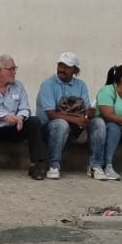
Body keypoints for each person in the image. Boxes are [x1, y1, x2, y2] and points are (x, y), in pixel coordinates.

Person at [0, 54, 47, 180]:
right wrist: (4, 116)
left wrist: (20, 117)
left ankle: (36, 165)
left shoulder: (19, 86)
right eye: (11, 69)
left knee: (34, 121)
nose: (14, 72)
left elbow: (25, 108)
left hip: (15, 127)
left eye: (15, 69)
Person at [36, 52, 94, 180]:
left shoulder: (81, 85)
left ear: (75, 70)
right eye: (60, 65)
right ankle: (54, 165)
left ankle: (96, 165)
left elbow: (85, 109)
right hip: (49, 128)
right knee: (61, 124)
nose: (62, 69)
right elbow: (51, 114)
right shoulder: (48, 84)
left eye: (67, 67)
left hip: (74, 128)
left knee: (98, 123)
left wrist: (89, 114)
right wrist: (76, 119)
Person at [89, 65, 122, 181]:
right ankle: (104, 165)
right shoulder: (107, 91)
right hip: (103, 126)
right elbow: (108, 116)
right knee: (113, 127)